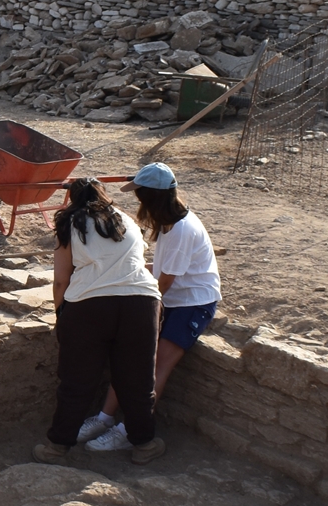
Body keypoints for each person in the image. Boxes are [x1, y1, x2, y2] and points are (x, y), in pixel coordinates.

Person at [75, 163, 223, 446]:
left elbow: (164, 283)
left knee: (155, 366)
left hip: (192, 303)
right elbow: (162, 270)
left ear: (151, 198)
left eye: (141, 196)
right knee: (130, 358)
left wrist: (135, 310)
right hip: (173, 297)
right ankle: (105, 417)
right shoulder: (169, 224)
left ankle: (129, 430)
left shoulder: (181, 230)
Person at [33, 178, 165, 466]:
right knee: (138, 379)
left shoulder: (70, 223)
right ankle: (144, 443)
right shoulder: (125, 221)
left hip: (89, 306)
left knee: (76, 380)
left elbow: (60, 280)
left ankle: (58, 446)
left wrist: (61, 315)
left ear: (72, 200)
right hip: (140, 303)